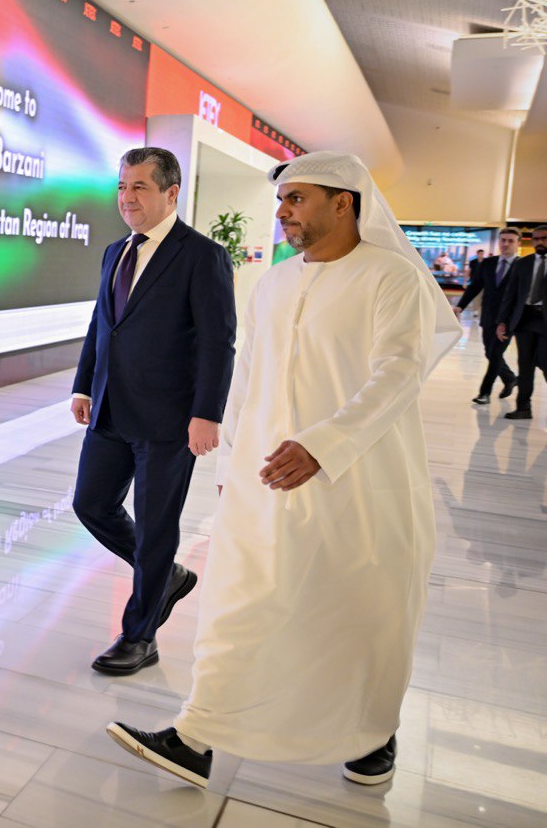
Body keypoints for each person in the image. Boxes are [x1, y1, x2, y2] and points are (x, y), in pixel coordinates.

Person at [105, 151, 460, 788]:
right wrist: (233, 458)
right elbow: (248, 376)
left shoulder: (392, 278)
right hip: (262, 478)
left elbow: (399, 374)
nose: (282, 212)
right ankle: (197, 735)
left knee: (358, 608)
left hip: (357, 481)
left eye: (296, 199)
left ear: (344, 202)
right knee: (237, 602)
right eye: (281, 200)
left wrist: (323, 445)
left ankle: (371, 734)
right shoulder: (274, 282)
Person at [69, 147, 235, 676]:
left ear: (170, 192)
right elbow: (102, 324)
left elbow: (217, 341)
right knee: (91, 504)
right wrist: (83, 384)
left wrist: (207, 413)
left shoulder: (202, 255)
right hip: (110, 409)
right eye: (122, 186)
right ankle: (166, 577)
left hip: (169, 420)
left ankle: (140, 636)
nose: (127, 197)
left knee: (158, 526)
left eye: (139, 186)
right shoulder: (115, 251)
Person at [453, 230, 519, 404]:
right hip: (488, 316)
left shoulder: (521, 265)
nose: (506, 244)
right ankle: (510, 378)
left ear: (518, 243)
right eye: (503, 240)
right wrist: (460, 306)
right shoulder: (488, 263)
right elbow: (475, 286)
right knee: (490, 353)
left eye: (510, 241)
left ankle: (485, 393)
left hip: (508, 319)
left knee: (495, 353)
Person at [496, 225, 547, 420]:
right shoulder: (523, 264)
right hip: (525, 319)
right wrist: (502, 321)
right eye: (536, 239)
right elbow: (510, 295)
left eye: (544, 238)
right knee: (525, 365)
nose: (539, 242)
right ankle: (523, 408)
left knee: (544, 361)